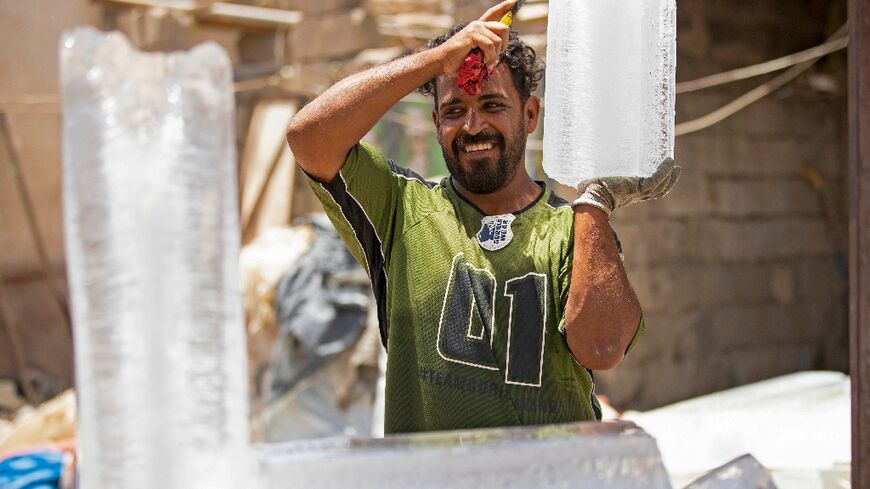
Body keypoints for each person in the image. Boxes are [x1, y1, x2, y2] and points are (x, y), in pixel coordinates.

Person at [285, 0, 681, 434]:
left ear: (530, 115)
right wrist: (437, 59)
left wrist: (596, 202)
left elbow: (603, 348)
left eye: (493, 105)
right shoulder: (401, 208)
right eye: (454, 111)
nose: (473, 126)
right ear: (436, 124)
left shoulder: (574, 227)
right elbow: (309, 136)